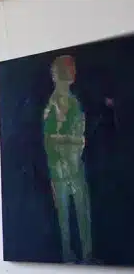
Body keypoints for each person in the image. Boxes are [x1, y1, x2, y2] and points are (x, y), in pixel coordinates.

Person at [42, 54, 92, 263]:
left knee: (83, 212)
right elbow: (49, 139)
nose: (74, 72)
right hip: (61, 168)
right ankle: (68, 255)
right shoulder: (53, 104)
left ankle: (87, 255)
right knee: (64, 216)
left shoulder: (73, 101)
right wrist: (72, 140)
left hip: (75, 165)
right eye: (71, 68)